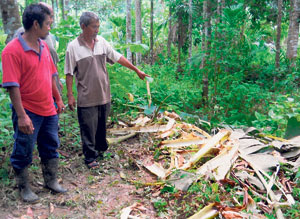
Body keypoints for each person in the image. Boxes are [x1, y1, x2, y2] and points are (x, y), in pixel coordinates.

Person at [65, 11, 149, 169]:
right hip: (86, 96)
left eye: (98, 26)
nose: (97, 30)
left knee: (101, 126)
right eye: (93, 27)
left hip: (103, 94)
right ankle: (90, 158)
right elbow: (69, 73)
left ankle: (101, 151)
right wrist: (70, 95)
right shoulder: (73, 47)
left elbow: (118, 57)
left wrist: (136, 70)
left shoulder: (101, 42)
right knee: (88, 128)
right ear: (83, 26)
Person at [1, 4, 67, 203]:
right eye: (48, 23)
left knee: (50, 145)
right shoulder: (11, 51)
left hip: (48, 109)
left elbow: (51, 74)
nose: (50, 27)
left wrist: (58, 98)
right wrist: (22, 116)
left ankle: (51, 180)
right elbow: (12, 86)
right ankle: (24, 188)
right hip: (28, 110)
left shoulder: (44, 45)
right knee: (24, 149)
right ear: (36, 24)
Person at [13, 2, 63, 96]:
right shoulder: (22, 34)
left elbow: (52, 62)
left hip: (50, 87)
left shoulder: (48, 36)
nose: (51, 20)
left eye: (52, 16)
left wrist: (57, 80)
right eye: (49, 17)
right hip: (31, 92)